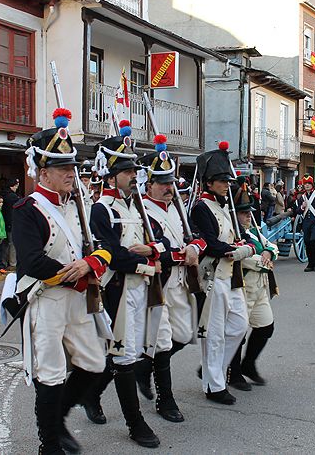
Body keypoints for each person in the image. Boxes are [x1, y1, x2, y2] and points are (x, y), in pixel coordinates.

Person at [12, 109, 112, 454]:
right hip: (48, 301)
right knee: (50, 375)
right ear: (43, 173)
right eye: (63, 169)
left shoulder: (78, 205)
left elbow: (100, 250)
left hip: (78, 299)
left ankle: (60, 419)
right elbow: (32, 262)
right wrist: (81, 273)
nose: (72, 174)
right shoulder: (27, 209)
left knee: (95, 364)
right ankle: (50, 443)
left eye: (73, 168)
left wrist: (91, 263)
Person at [86, 125, 162, 447]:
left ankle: (90, 394)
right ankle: (136, 423)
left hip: (142, 288)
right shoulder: (101, 209)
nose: (134, 175)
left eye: (133, 169)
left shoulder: (137, 206)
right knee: (125, 355)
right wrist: (146, 262)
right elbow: (114, 255)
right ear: (111, 175)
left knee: (128, 351)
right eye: (126, 170)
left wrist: (153, 251)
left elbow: (156, 242)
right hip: (118, 289)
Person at [135, 143, 205, 422]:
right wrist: (182, 252)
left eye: (171, 181)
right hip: (157, 284)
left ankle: (144, 366)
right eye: (162, 182)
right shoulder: (143, 211)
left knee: (185, 333)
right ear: (149, 184)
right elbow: (157, 247)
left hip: (180, 283)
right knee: (163, 342)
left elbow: (196, 237)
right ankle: (166, 400)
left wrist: (195, 248)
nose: (168, 187)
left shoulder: (176, 209)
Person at [190, 141, 253, 405]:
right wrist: (239, 251)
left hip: (231, 275)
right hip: (213, 276)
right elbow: (212, 244)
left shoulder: (223, 207)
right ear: (208, 183)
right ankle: (214, 385)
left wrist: (244, 247)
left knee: (239, 325)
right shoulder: (201, 208)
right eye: (221, 181)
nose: (227, 185)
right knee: (214, 334)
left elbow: (234, 238)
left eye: (226, 180)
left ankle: (212, 369)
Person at [228, 183, 277, 390]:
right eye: (244, 213)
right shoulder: (233, 235)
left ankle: (248, 364)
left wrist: (268, 253)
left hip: (260, 289)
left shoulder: (253, 233)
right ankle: (234, 373)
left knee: (266, 327)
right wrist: (263, 261)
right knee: (237, 333)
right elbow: (245, 260)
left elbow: (272, 246)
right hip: (242, 287)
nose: (249, 216)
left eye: (249, 213)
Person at [1, 178, 20, 270]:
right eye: (16, 186)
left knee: (5, 244)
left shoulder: (4, 195)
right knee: (12, 243)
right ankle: (13, 263)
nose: (17, 187)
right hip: (11, 222)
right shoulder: (12, 197)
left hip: (4, 222)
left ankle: (4, 262)